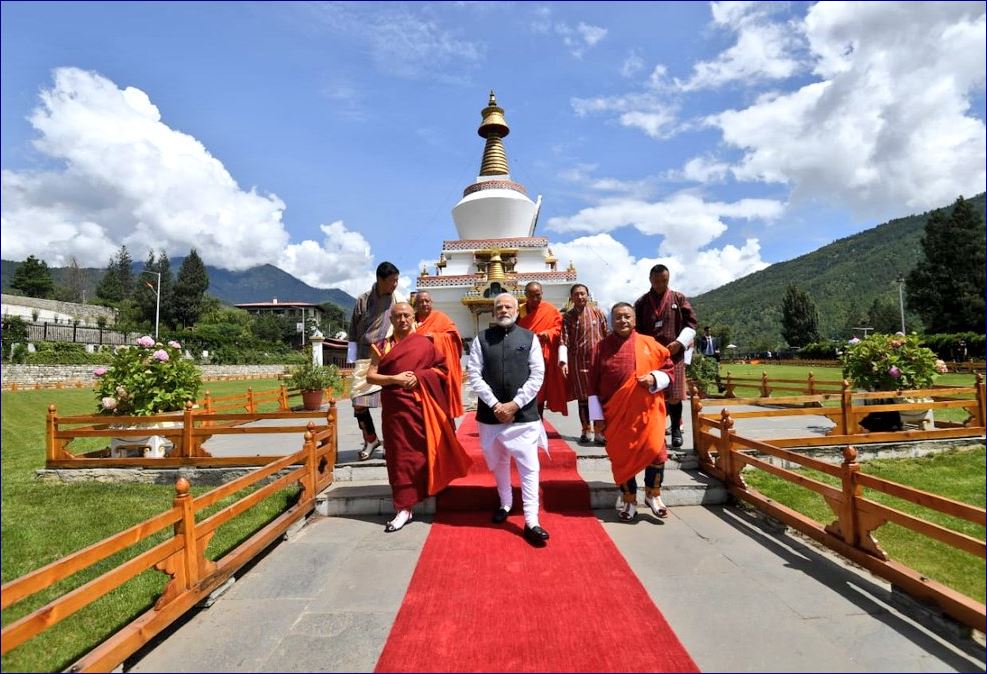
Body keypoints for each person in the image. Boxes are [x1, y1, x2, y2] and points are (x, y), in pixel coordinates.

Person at [366, 303, 472, 532]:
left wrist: (418, 376)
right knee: (399, 456)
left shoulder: (424, 344)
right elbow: (371, 376)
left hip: (420, 408)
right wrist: (396, 379)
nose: (402, 319)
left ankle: (429, 487)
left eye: (406, 315)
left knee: (423, 451)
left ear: (413, 318)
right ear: (391, 320)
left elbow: (443, 371)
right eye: (397, 316)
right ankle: (404, 506)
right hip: (395, 410)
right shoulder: (381, 346)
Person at [467, 293, 550, 545]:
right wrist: (494, 404)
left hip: (523, 415)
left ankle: (531, 520)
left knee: (529, 468)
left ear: (517, 310)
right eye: (499, 307)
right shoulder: (482, 339)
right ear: (494, 312)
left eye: (508, 306)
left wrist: (514, 404)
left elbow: (537, 374)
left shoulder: (529, 338)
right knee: (499, 463)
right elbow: (474, 373)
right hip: (491, 416)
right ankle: (505, 504)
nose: (503, 310)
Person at [589, 303, 675, 521]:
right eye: (618, 317)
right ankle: (629, 499)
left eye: (627, 316)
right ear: (611, 321)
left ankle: (653, 495)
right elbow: (592, 385)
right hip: (616, 414)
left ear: (634, 320)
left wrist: (655, 378)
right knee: (621, 456)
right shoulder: (600, 347)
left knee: (656, 451)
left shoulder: (649, 344)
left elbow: (669, 368)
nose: (623, 321)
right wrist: (596, 417)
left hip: (648, 411)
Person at [633, 264, 696, 449]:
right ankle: (655, 432)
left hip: (674, 354)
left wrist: (680, 343)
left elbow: (691, 324)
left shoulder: (678, 298)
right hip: (651, 356)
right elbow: (636, 330)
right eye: (656, 281)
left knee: (675, 396)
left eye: (664, 280)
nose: (660, 284)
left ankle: (676, 430)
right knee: (653, 395)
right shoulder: (642, 302)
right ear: (650, 280)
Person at [349, 262, 405, 460]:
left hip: (390, 355)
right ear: (380, 280)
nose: (395, 284)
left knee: (389, 403)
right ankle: (371, 439)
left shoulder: (398, 300)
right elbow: (353, 330)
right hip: (365, 356)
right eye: (392, 281)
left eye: (397, 280)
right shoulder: (363, 301)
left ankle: (391, 443)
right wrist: (352, 357)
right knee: (358, 402)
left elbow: (407, 327)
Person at [559, 283, 609, 445]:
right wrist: (563, 361)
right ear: (571, 297)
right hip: (577, 361)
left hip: (597, 361)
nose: (580, 297)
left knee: (596, 398)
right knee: (583, 399)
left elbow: (607, 336)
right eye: (576, 294)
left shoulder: (598, 313)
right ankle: (586, 430)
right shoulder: (567, 317)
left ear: (587, 295)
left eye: (582, 294)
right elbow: (563, 339)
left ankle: (599, 432)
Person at [516, 281, 568, 418]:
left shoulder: (550, 309)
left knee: (540, 390)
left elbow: (560, 329)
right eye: (531, 296)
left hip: (543, 355)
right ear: (525, 295)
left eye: (538, 295)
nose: (535, 299)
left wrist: (548, 333)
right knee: (524, 389)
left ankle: (538, 421)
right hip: (523, 355)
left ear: (542, 294)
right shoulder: (519, 311)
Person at [414, 291, 465, 419]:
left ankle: (447, 431)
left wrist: (435, 337)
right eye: (421, 301)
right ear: (415, 304)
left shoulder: (440, 317)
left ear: (431, 303)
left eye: (427, 301)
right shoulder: (411, 320)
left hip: (440, 367)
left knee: (443, 401)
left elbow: (454, 338)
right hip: (419, 367)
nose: (424, 304)